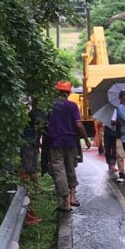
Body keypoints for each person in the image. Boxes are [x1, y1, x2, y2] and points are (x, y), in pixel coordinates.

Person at [47, 81, 90, 211]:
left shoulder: (50, 106)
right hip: (70, 142)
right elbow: (78, 124)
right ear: (68, 93)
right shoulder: (72, 106)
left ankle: (65, 203)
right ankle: (73, 197)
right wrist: (86, 139)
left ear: (57, 91)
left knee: (59, 170)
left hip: (54, 142)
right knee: (70, 168)